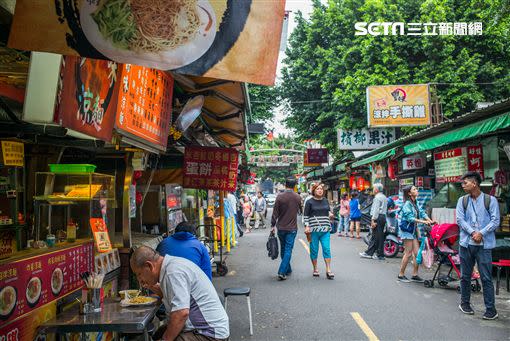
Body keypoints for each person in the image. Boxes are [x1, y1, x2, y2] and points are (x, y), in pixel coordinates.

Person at [130, 246, 229, 341]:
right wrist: (151, 285)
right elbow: (171, 295)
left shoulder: (172, 272)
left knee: (165, 336)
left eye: (139, 274)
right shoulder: (170, 266)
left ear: (149, 266)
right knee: (159, 333)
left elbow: (181, 313)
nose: (139, 280)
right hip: (203, 328)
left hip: (209, 333)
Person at [456, 171, 500, 320]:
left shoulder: (490, 200)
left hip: (484, 245)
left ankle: (491, 310)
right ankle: (465, 303)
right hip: (466, 244)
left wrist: (481, 233)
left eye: (465, 182)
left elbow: (495, 221)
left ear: (474, 183)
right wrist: (473, 232)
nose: (463, 185)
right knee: (465, 276)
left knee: (486, 278)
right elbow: (460, 220)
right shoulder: (462, 200)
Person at [395, 185, 435, 282]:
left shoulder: (415, 202)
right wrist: (424, 222)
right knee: (408, 253)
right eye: (414, 189)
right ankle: (401, 275)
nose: (417, 190)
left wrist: (430, 220)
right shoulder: (407, 204)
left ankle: (415, 274)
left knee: (417, 254)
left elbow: (421, 212)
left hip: (413, 231)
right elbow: (410, 219)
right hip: (407, 231)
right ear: (409, 193)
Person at [271, 177, 303, 281]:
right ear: (295, 186)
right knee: (288, 249)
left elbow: (275, 213)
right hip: (292, 228)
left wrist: (272, 225)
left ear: (285, 184)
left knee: (284, 249)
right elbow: (300, 211)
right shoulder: (297, 197)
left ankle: (287, 269)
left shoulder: (280, 197)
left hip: (281, 227)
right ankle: (282, 271)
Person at [304, 183, 335, 279]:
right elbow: (306, 216)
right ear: (314, 191)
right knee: (314, 250)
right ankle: (315, 269)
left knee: (327, 249)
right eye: (317, 189)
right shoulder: (309, 202)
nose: (320, 190)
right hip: (313, 230)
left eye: (321, 189)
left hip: (325, 229)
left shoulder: (326, 201)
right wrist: (307, 226)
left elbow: (328, 211)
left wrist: (331, 214)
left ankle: (328, 269)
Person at [359, 183, 388, 260]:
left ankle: (370, 253)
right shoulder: (384, 197)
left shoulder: (377, 198)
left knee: (375, 236)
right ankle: (379, 254)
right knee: (380, 236)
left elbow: (376, 210)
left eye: (374, 188)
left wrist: (373, 220)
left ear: (376, 189)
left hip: (378, 217)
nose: (373, 189)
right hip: (383, 217)